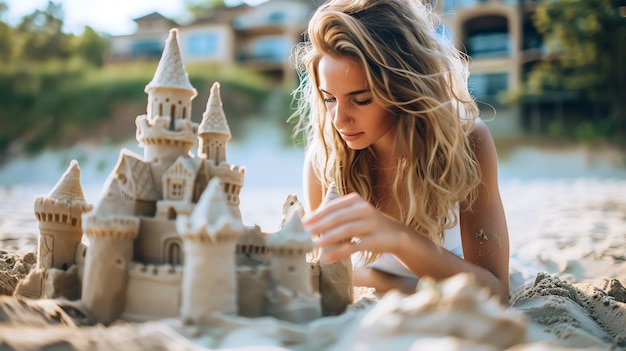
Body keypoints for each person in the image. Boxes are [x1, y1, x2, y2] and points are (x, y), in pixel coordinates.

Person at [290, 0, 510, 303]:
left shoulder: (466, 143)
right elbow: (327, 274)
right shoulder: (326, 160)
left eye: (362, 100)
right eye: (329, 99)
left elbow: (497, 292)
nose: (339, 120)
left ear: (404, 88)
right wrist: (406, 286)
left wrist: (398, 239)